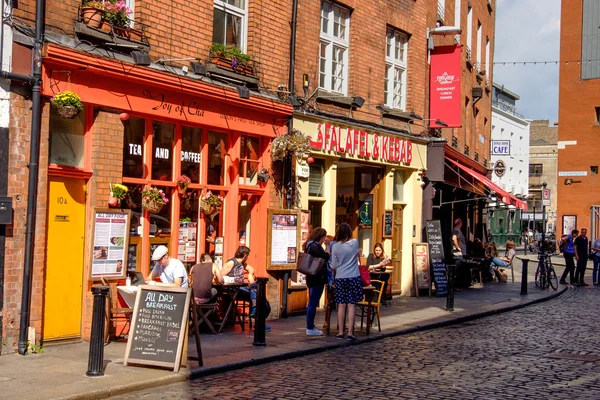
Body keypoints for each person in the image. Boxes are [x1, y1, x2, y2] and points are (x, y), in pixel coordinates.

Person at [221, 246, 271, 330]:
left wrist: (250, 275)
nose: (247, 258)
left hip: (242, 289)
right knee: (255, 291)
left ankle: (258, 317)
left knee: (260, 296)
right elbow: (221, 276)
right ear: (245, 256)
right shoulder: (231, 262)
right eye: (248, 256)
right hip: (233, 290)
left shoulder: (243, 263)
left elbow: (251, 270)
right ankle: (257, 316)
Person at [330, 223, 362, 341]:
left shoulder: (336, 246)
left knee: (341, 305)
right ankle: (350, 333)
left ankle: (340, 332)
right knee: (351, 304)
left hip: (340, 277)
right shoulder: (354, 243)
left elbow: (334, 265)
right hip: (353, 276)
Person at [303, 228, 330, 336]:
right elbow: (326, 257)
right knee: (313, 302)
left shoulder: (309, 244)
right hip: (316, 277)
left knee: (313, 301)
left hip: (312, 277)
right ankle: (310, 327)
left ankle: (311, 326)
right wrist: (327, 246)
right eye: (324, 237)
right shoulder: (314, 245)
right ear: (321, 236)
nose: (324, 239)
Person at [451, 218, 470, 288]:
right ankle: (455, 286)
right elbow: (454, 238)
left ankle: (456, 285)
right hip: (457, 254)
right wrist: (457, 247)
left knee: (458, 270)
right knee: (457, 270)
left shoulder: (457, 230)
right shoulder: (456, 230)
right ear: (460, 223)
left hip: (459, 254)